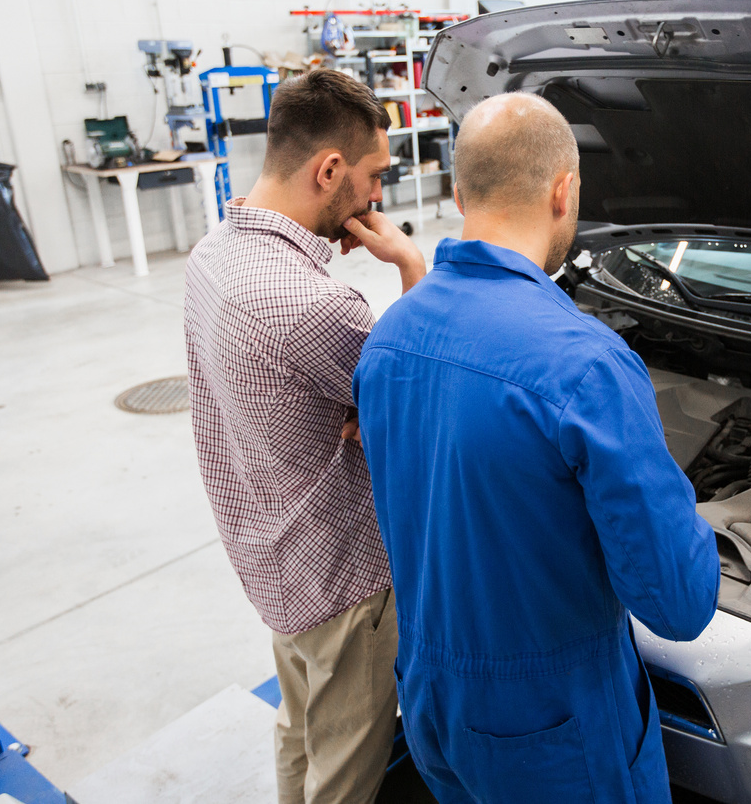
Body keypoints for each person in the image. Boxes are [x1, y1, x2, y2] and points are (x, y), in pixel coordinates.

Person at [353, 92, 719, 803]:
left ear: (458, 191)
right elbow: (677, 603)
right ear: (564, 190)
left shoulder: (388, 337)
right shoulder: (585, 366)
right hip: (555, 725)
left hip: (430, 701)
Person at [183, 68, 426, 804]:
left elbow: (360, 400)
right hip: (345, 579)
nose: (378, 197)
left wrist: (359, 409)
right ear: (328, 170)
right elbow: (421, 408)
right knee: (348, 772)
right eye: (374, 175)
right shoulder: (314, 306)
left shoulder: (211, 257)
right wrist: (412, 266)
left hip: (274, 559)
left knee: (297, 729)